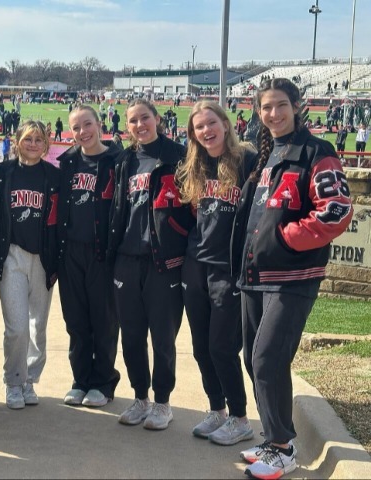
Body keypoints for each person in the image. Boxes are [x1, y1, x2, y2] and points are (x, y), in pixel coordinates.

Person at [231, 78, 352, 479]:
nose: (274, 114)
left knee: (267, 358)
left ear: (297, 106)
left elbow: (336, 209)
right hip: (255, 274)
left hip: (292, 275)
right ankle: (273, 438)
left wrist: (286, 239)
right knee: (254, 360)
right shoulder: (266, 154)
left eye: (281, 105)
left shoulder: (318, 151)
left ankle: (283, 449)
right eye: (266, 107)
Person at [107, 99, 193, 430]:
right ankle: (140, 396)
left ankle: (162, 402)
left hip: (164, 260)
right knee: (131, 336)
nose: (140, 125)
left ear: (157, 119)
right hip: (127, 258)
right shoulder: (125, 160)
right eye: (133, 121)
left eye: (145, 118)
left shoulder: (179, 156)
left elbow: (193, 205)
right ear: (127, 126)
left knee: (162, 338)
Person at [175, 101, 258, 445]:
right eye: (199, 127)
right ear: (193, 134)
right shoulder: (194, 165)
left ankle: (240, 417)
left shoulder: (247, 160)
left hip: (229, 266)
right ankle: (217, 409)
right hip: (197, 262)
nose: (206, 131)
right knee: (200, 346)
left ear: (225, 124)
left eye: (211, 123)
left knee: (222, 346)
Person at [56, 105, 122, 408]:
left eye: (87, 124)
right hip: (71, 250)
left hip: (101, 252)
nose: (82, 132)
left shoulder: (117, 160)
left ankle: (103, 382)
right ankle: (80, 380)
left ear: (99, 124)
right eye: (76, 127)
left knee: (104, 320)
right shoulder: (68, 162)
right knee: (76, 320)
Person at [0, 120, 60, 409]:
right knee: (17, 326)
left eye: (39, 140)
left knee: (38, 326)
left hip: (43, 257)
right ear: (17, 141)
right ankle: (13, 380)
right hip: (12, 254)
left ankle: (30, 379)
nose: (33, 144)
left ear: (46, 145)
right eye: (28, 139)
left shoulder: (53, 176)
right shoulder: (3, 172)